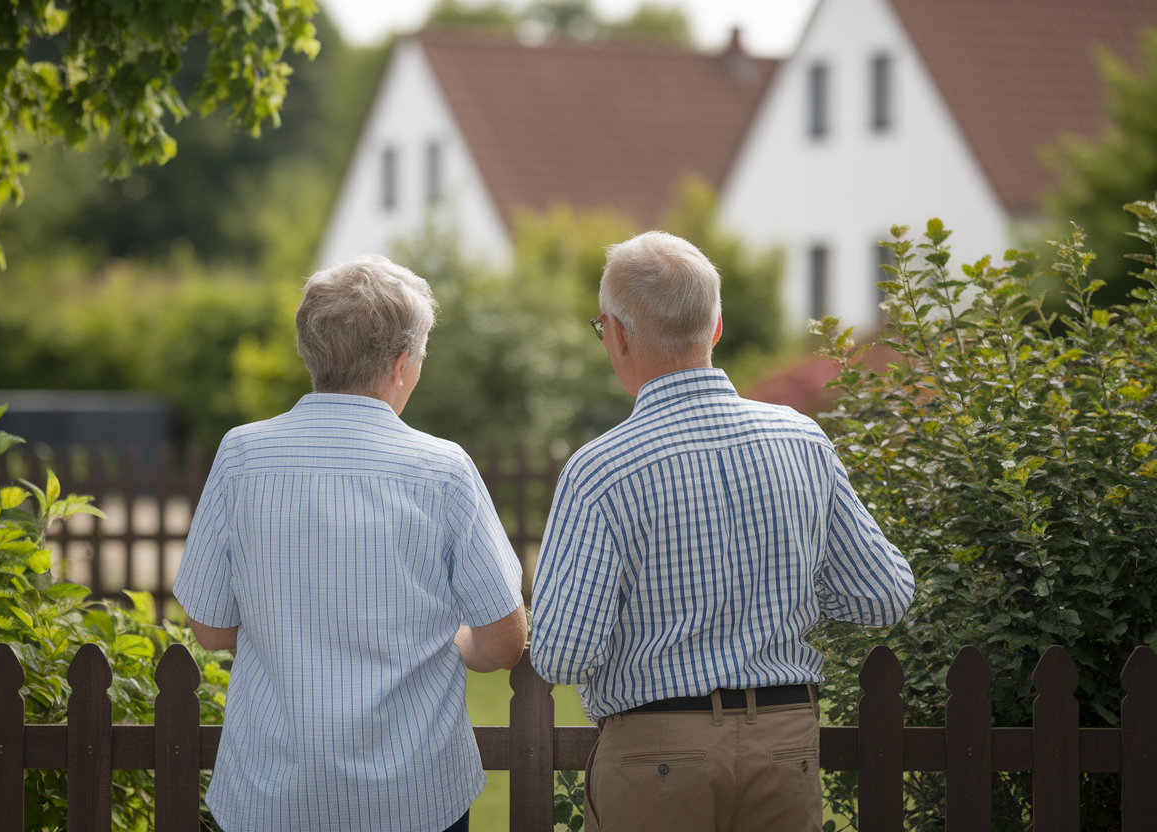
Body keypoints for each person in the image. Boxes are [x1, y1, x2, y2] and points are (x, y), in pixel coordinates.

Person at [530, 231, 914, 832]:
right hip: (785, 744)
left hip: (655, 750)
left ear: (618, 333)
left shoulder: (602, 469)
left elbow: (562, 654)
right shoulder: (801, 441)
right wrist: (792, 590)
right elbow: (884, 595)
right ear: (715, 328)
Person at [174, 254, 527, 832]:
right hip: (415, 797)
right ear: (402, 364)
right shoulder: (443, 471)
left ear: (308, 352)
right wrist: (457, 644)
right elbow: (504, 641)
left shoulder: (242, 456)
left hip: (272, 796)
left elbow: (211, 629)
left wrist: (291, 639)